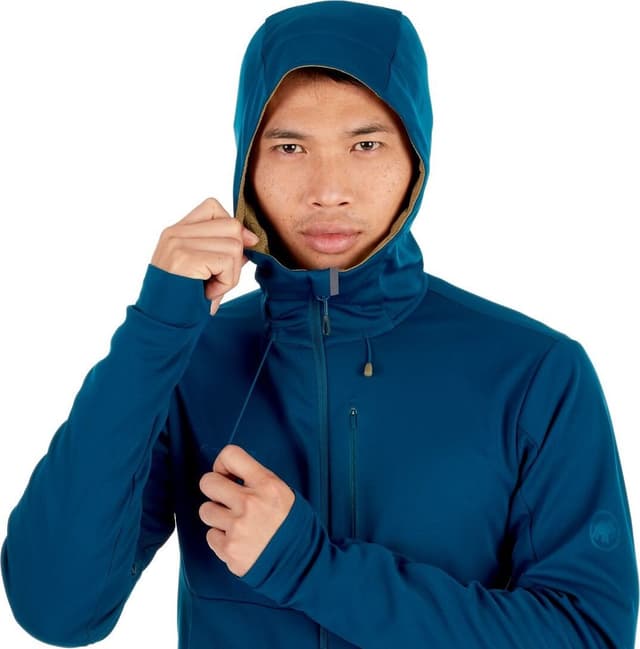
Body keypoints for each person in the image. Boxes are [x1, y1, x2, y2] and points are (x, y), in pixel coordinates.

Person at [2, 1, 638, 647]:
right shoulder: (189, 361)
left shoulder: (536, 372)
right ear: (247, 165)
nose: (328, 190)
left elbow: (590, 632)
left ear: (415, 157)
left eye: (365, 144)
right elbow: (56, 608)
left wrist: (310, 567)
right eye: (289, 146)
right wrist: (156, 328)